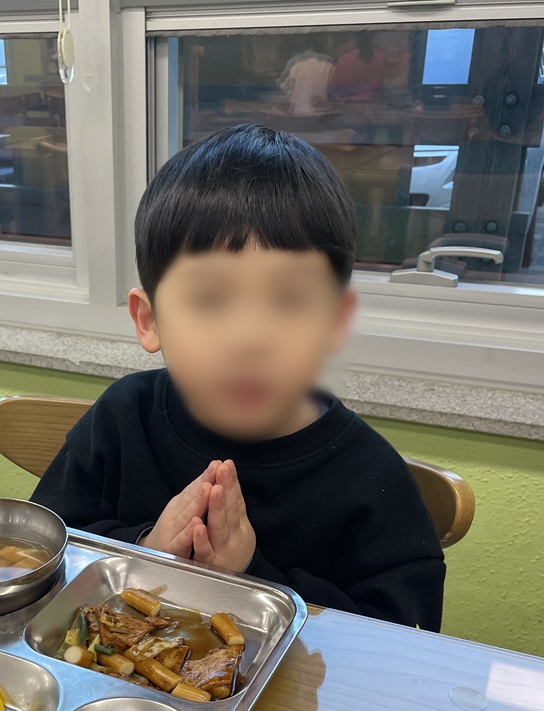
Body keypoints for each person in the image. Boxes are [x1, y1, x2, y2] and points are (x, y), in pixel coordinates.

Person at [31, 124, 444, 630]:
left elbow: (405, 643)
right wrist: (143, 550)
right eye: (209, 299)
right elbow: (44, 552)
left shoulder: (372, 479)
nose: (249, 338)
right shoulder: (122, 419)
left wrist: (252, 580)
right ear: (150, 321)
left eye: (291, 300)